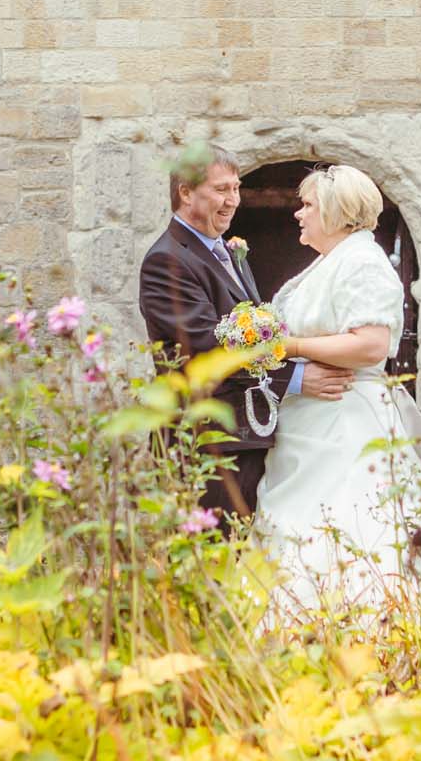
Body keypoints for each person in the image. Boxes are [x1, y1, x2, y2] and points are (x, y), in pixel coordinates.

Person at [253, 164, 421, 616]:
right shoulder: (333, 260)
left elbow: (372, 344)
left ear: (336, 212)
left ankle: (362, 625)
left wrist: (289, 346)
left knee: (353, 524)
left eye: (308, 205)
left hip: (346, 422)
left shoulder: (362, 261)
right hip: (313, 420)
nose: (299, 214)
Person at [138, 148, 347, 517]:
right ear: (186, 193)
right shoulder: (167, 260)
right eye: (221, 189)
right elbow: (206, 347)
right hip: (205, 442)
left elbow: (253, 338)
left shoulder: (229, 252)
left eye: (236, 188)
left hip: (244, 437)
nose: (232, 200)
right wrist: (296, 378)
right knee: (211, 561)